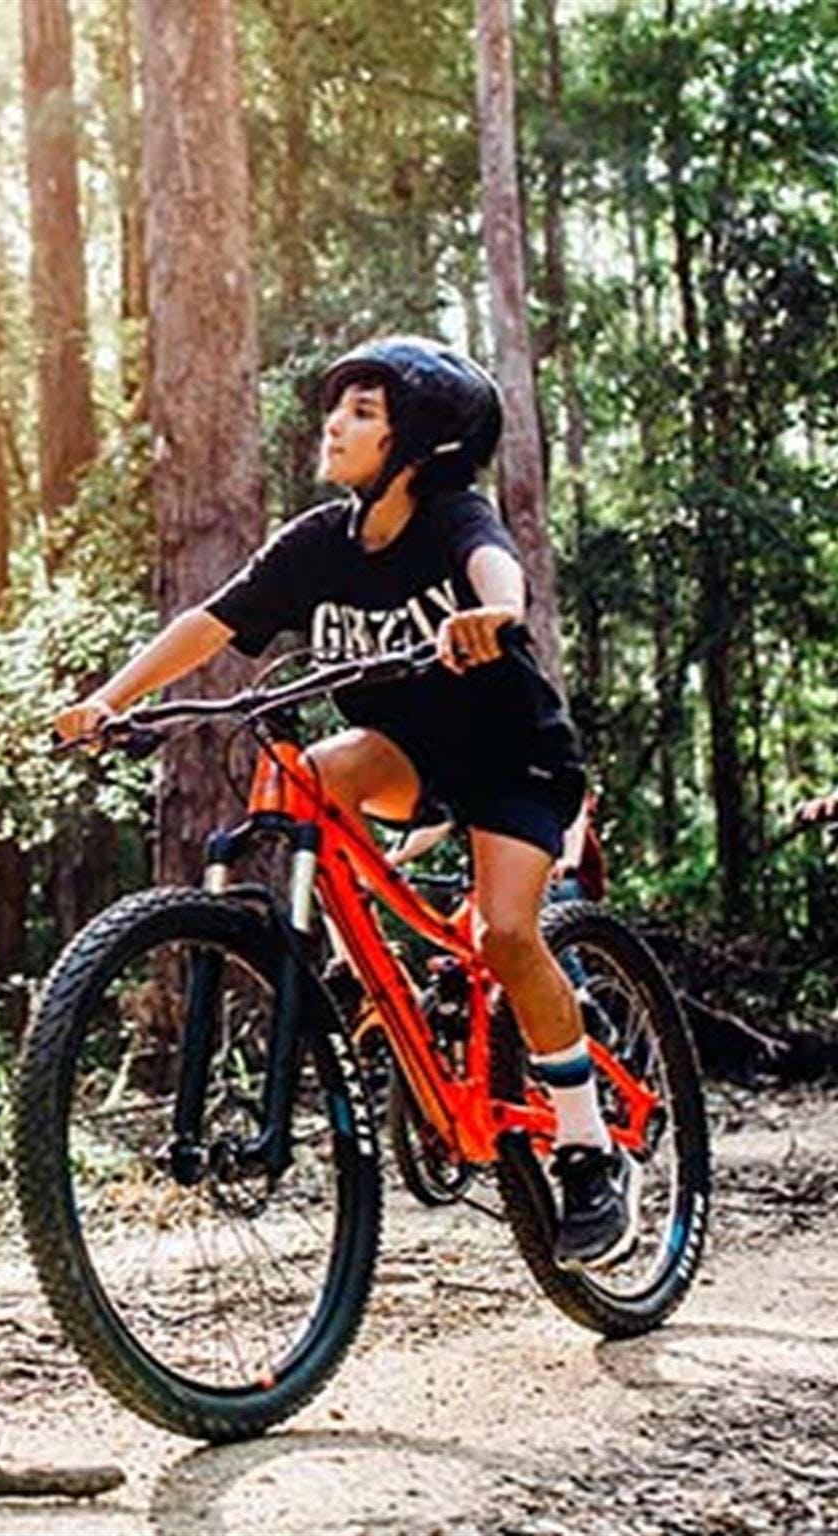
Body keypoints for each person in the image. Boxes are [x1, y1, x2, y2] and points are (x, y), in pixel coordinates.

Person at [53, 336, 633, 1270]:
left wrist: (495, 617)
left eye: (366, 411)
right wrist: (110, 698)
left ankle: (587, 1153)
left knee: (507, 938)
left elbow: (496, 568)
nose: (337, 422)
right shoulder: (320, 544)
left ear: (421, 444)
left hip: (510, 759)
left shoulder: (452, 519)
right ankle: (364, 967)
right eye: (339, 407)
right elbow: (208, 622)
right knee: (306, 771)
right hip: (407, 755)